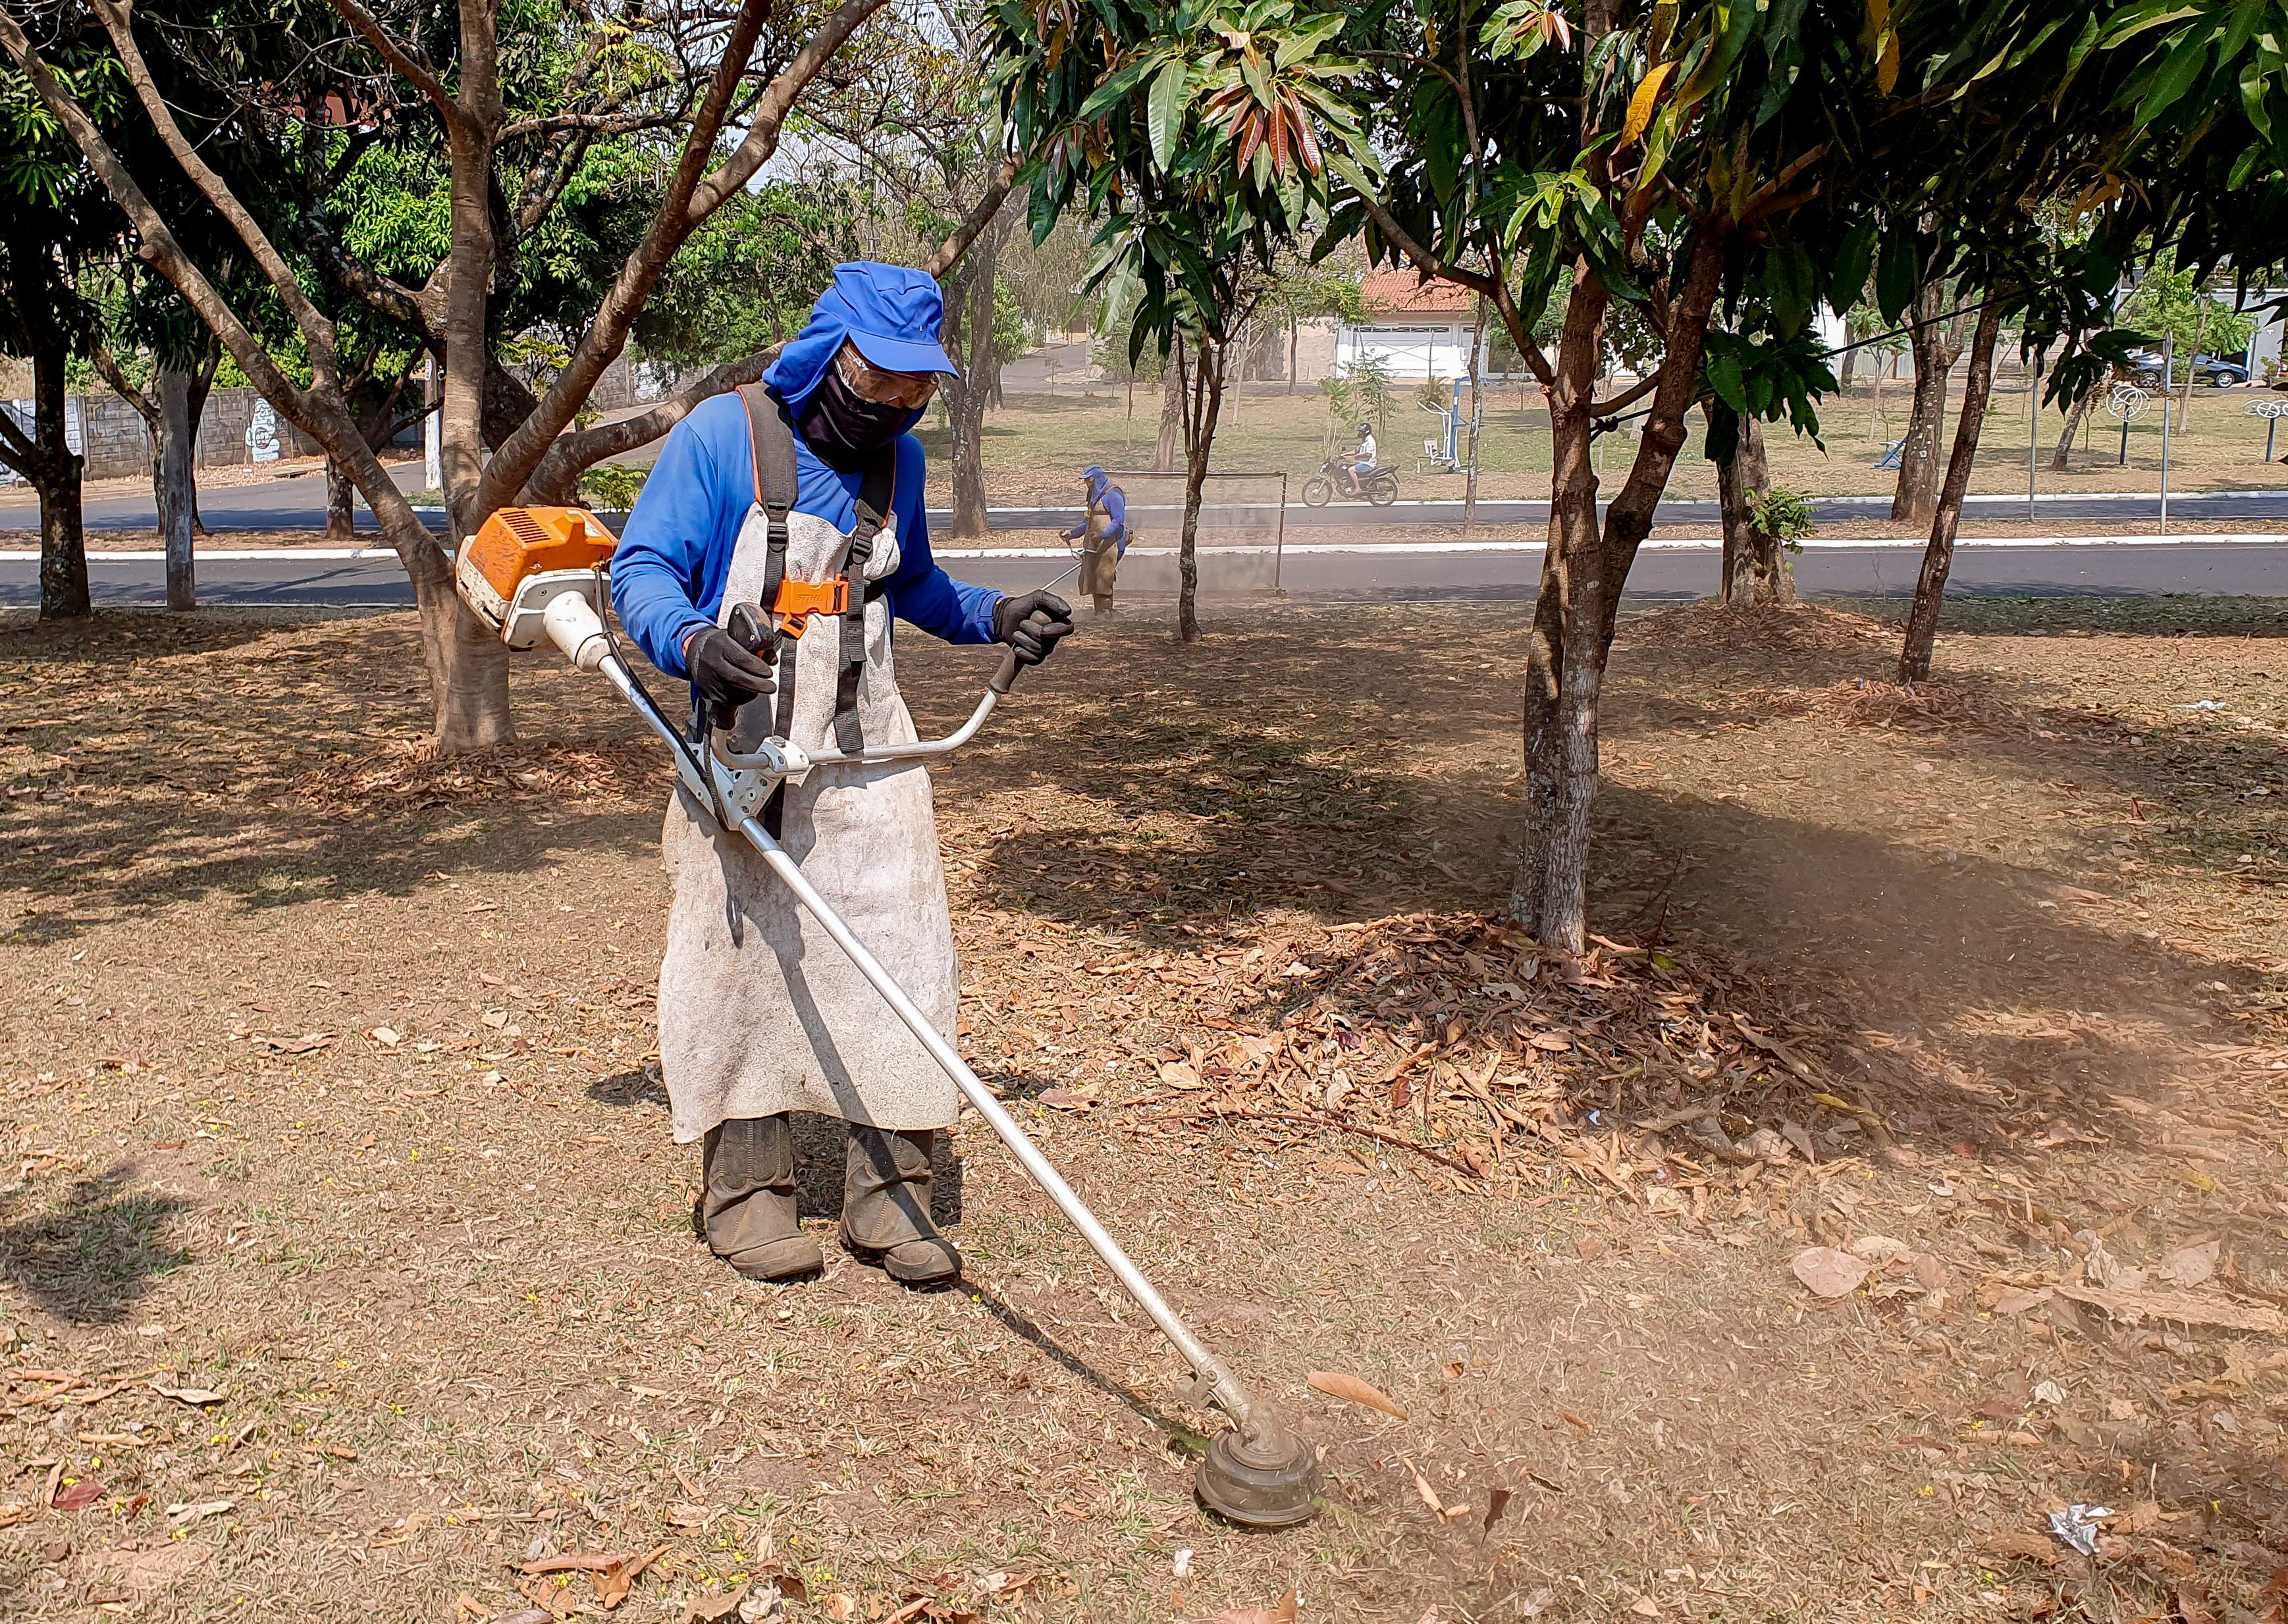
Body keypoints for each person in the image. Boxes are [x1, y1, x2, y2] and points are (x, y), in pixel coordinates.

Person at [610, 262, 1075, 1289]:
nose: (896, 405)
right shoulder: (722, 438)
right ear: (829, 357)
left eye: (917, 388)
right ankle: (744, 1195)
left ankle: (890, 1197)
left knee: (900, 953)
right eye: (881, 380)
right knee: (741, 963)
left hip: (868, 750)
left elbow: (905, 581)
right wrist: (690, 643)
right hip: (748, 744)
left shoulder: (895, 467)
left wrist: (991, 614)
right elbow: (638, 567)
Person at [1060, 464, 1127, 614]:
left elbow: (1119, 521)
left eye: (1088, 480)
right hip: (1095, 545)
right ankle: (1100, 614)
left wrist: (1103, 534)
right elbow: (1088, 522)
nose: (1086, 484)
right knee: (1093, 579)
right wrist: (1072, 534)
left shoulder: (1113, 495)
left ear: (1095, 479)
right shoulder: (1093, 497)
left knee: (1104, 578)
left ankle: (1106, 615)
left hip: (1112, 545)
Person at [1341, 422, 1377, 497]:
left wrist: (1356, 456)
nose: (1360, 433)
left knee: (1351, 470)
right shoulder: (1365, 440)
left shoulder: (1370, 441)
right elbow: (1356, 451)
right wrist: (1344, 455)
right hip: (1362, 463)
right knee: (1346, 467)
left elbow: (1368, 454)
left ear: (1366, 432)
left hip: (1368, 464)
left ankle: (1358, 488)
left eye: (1361, 431)